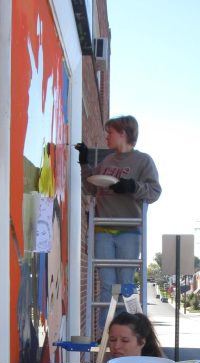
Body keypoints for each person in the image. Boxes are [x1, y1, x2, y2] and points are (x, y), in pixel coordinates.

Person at [75, 116, 161, 332]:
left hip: (129, 230)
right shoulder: (107, 162)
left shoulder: (143, 161)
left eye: (110, 132)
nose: (106, 136)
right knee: (107, 285)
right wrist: (84, 163)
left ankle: (130, 331)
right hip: (103, 228)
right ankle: (108, 332)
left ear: (123, 133)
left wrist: (132, 187)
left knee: (125, 284)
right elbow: (91, 188)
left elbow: (154, 192)